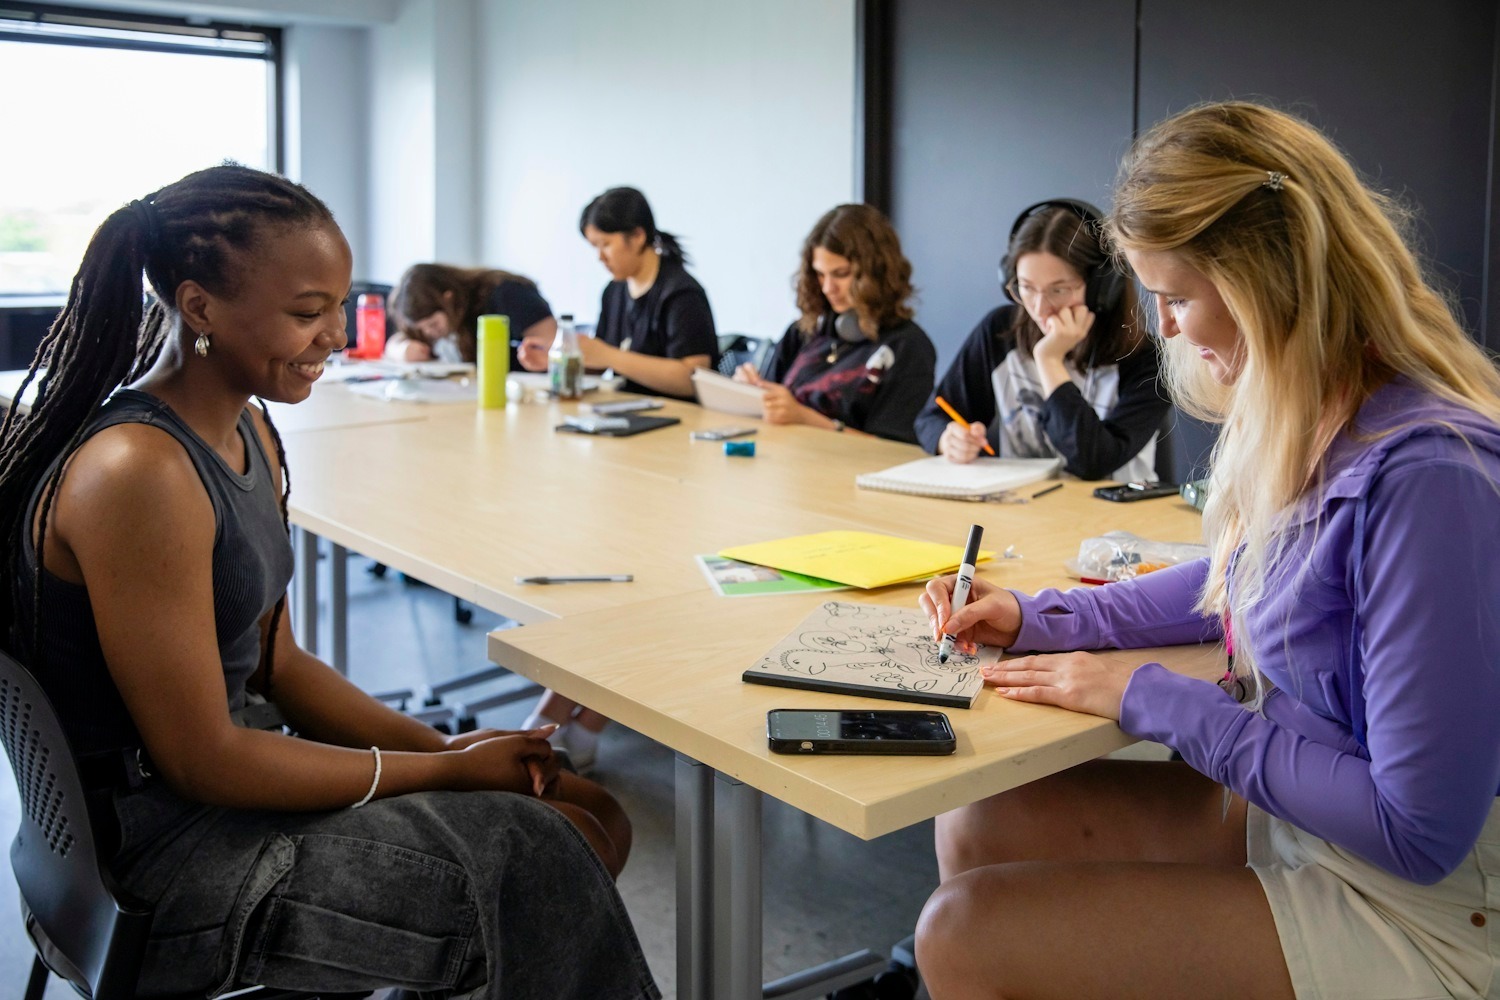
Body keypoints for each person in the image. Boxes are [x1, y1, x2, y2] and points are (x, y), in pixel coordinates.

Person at [0, 165, 658, 999]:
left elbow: (279, 662)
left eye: (341, 306)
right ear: (199, 307)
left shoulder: (248, 429)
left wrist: (444, 748)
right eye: (308, 313)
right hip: (164, 858)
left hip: (224, 790)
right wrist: (445, 772)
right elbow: (204, 761)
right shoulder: (139, 472)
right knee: (550, 851)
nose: (339, 336)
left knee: (596, 811)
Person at [916, 101, 1500, 1000]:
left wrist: (1151, 698)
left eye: (1180, 297)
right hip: (1306, 825)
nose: (1166, 327)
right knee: (974, 824)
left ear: (1267, 283)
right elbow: (1240, 575)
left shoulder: (1432, 479)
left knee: (963, 935)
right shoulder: (1324, 410)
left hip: (1415, 905)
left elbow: (1416, 832)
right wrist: (1035, 617)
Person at [912, 199, 1169, 482]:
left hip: (1115, 506)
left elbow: (1092, 463)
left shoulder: (1148, 360)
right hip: (1022, 502)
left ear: (1101, 287)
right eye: (1027, 288)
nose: (1039, 308)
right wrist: (947, 439)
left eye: (1058, 290)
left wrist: (1050, 361)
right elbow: (931, 418)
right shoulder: (1000, 331)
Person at [736, 203, 936, 443]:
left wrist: (805, 418)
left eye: (841, 274)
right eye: (820, 274)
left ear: (876, 273)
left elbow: (893, 450)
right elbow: (769, 409)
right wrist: (749, 393)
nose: (827, 288)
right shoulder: (804, 330)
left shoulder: (908, 347)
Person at [518, 186, 717, 399]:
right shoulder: (614, 291)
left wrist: (609, 355)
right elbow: (600, 363)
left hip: (678, 413)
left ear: (638, 236)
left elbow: (692, 378)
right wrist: (557, 360)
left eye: (605, 244)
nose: (600, 257)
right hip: (627, 407)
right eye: (594, 247)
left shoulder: (681, 294)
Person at [387, 261, 557, 368]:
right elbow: (395, 342)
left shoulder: (508, 294)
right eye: (422, 329)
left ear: (448, 298)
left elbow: (556, 349)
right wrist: (403, 350)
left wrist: (544, 358)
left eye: (433, 324)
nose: (429, 333)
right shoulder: (431, 324)